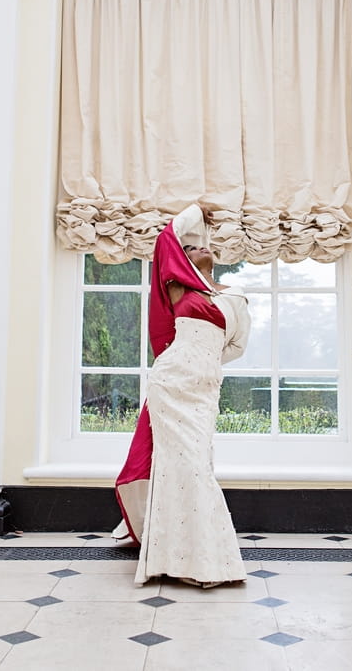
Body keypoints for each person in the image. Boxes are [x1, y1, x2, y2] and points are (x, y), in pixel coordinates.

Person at [112, 203, 251, 587]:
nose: (196, 250)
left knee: (197, 465)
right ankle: (182, 562)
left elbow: (237, 346)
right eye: (189, 249)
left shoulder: (235, 297)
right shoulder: (177, 286)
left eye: (202, 246)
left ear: (216, 256)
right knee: (181, 465)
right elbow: (166, 239)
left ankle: (199, 559)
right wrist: (196, 212)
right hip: (171, 383)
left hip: (204, 387)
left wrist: (206, 357)